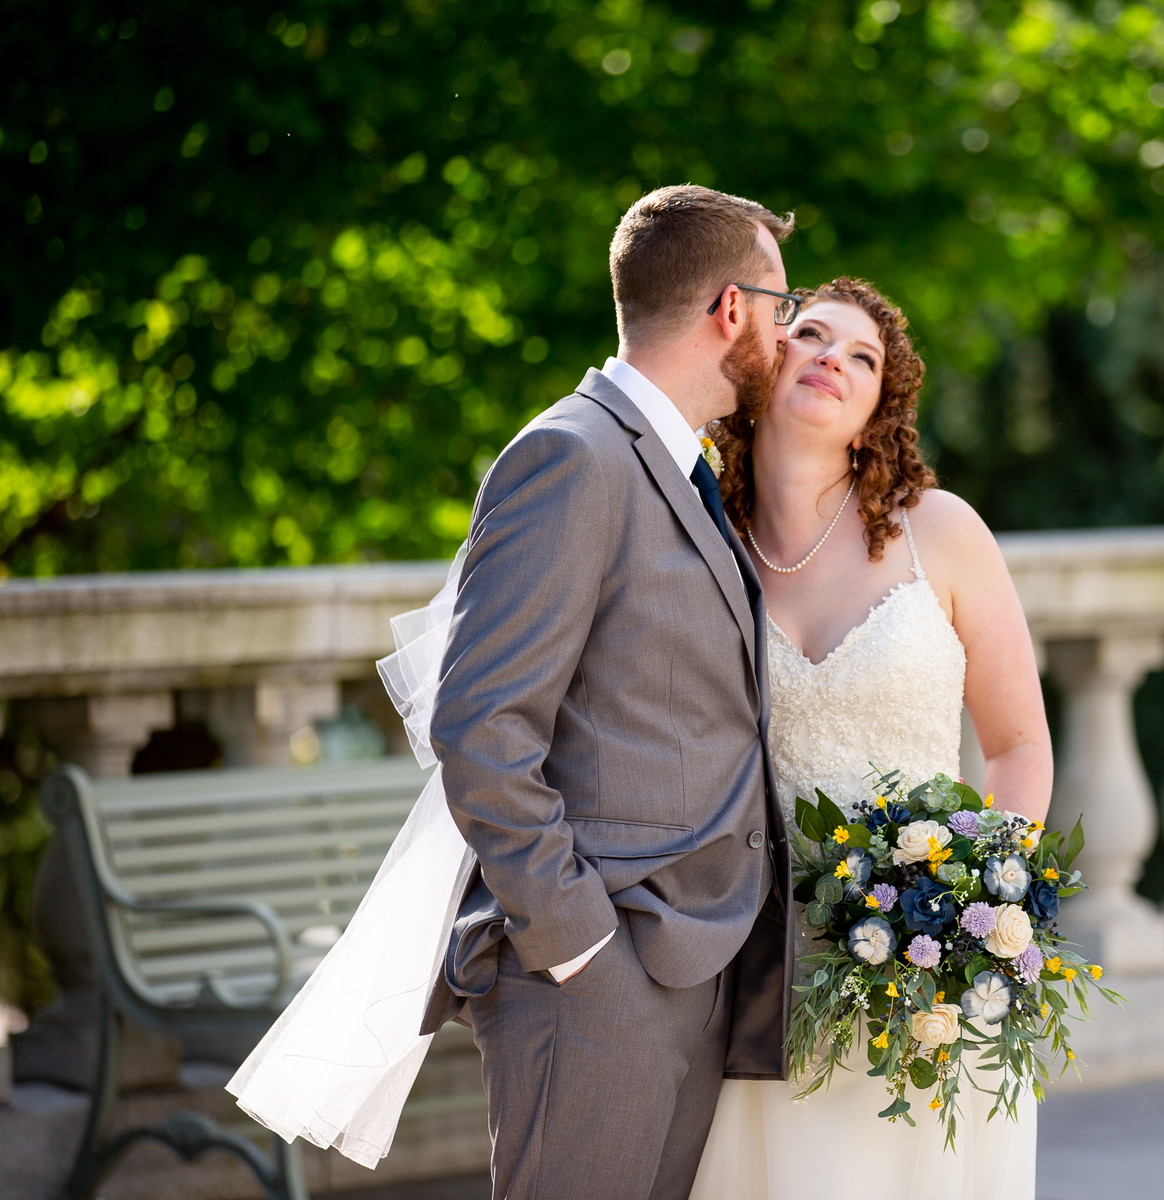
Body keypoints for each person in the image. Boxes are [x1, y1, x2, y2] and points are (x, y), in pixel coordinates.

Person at [230, 183, 801, 1200]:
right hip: (595, 982)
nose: (786, 329)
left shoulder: (682, 468)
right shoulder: (572, 458)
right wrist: (582, 951)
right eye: (780, 303)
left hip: (692, 967)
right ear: (730, 309)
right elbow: (481, 727)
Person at [690, 278, 1053, 1200]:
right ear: (767, 361)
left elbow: (1018, 747)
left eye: (863, 358)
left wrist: (980, 921)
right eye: (810, 334)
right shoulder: (695, 539)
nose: (833, 361)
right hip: (750, 968)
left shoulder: (943, 533)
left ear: (875, 411)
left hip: (919, 971)